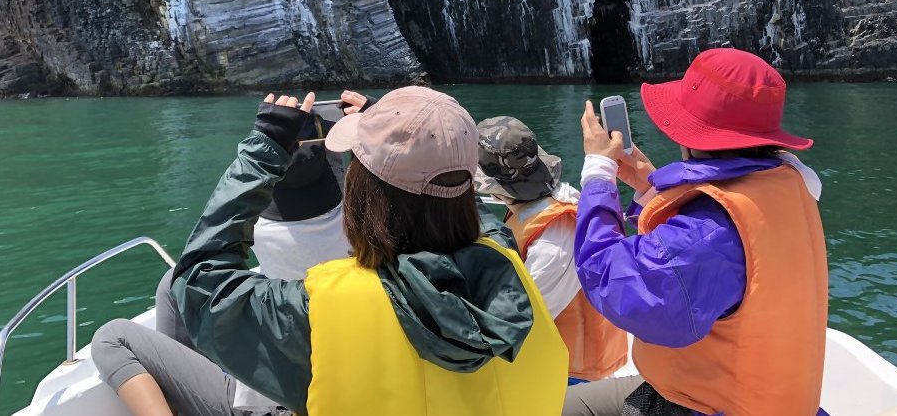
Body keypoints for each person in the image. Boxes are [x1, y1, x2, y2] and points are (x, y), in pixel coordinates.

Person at [136, 86, 568, 416]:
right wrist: (411, 135)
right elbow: (471, 212)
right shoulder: (505, 256)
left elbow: (196, 282)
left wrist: (262, 153)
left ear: (364, 194)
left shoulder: (321, 308)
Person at [566, 48, 829, 416]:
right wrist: (648, 188)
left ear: (691, 134)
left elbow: (613, 281)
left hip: (701, 407)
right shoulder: (784, 186)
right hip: (751, 397)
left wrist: (597, 174)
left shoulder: (710, 232)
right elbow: (695, 257)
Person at [93, 109, 353, 416]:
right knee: (170, 286)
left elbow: (205, 256)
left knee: (112, 337)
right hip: (336, 373)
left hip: (276, 402)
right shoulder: (360, 234)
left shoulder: (264, 231)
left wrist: (264, 150)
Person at [475, 116, 627, 384]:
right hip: (561, 362)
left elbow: (523, 318)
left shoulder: (553, 237)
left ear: (497, 191)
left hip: (567, 373)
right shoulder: (542, 208)